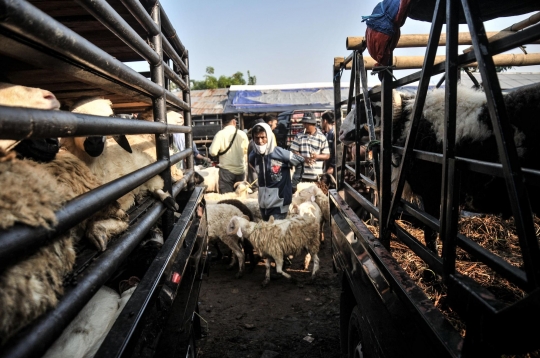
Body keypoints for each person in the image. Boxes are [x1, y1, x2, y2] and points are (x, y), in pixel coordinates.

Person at [250, 123, 304, 221]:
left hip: (279, 204)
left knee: (276, 234)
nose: (260, 141)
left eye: (263, 137)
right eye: (256, 138)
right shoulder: (253, 156)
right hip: (263, 205)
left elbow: (300, 162)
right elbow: (253, 167)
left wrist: (293, 184)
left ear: (269, 137)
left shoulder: (280, 153)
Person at [209, 114, 249, 193]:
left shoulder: (220, 134)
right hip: (240, 170)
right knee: (241, 197)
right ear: (234, 122)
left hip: (226, 172)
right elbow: (247, 151)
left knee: (227, 199)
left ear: (222, 123)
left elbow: (213, 152)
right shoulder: (242, 134)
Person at [289, 112, 330, 182]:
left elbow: (327, 155)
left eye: (306, 123)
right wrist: (304, 158)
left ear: (313, 124)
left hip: (317, 176)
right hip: (302, 176)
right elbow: (293, 152)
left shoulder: (322, 137)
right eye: (304, 123)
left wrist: (316, 156)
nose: (304, 125)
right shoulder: (299, 136)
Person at [321, 111, 336, 175]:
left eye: (321, 121)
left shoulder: (334, 134)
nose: (321, 123)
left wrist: (332, 166)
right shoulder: (325, 134)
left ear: (325, 121)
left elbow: (337, 151)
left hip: (332, 165)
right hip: (326, 162)